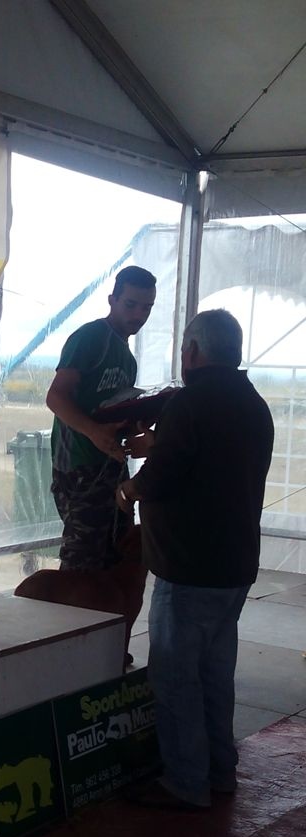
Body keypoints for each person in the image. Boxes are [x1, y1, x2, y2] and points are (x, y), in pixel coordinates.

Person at [117, 309, 274, 810]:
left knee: (175, 678)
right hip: (234, 566)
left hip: (188, 568)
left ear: (191, 351)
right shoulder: (253, 404)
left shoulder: (189, 403)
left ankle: (186, 783)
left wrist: (129, 489)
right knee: (214, 675)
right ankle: (220, 772)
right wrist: (161, 442)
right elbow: (209, 461)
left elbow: (163, 475)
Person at [46, 265, 157, 571]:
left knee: (116, 554)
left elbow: (111, 411)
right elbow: (55, 397)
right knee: (82, 560)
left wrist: (136, 426)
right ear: (112, 300)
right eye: (130, 304)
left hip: (110, 464)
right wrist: (94, 432)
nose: (139, 315)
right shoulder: (91, 338)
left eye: (147, 307)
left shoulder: (128, 360)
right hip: (79, 467)